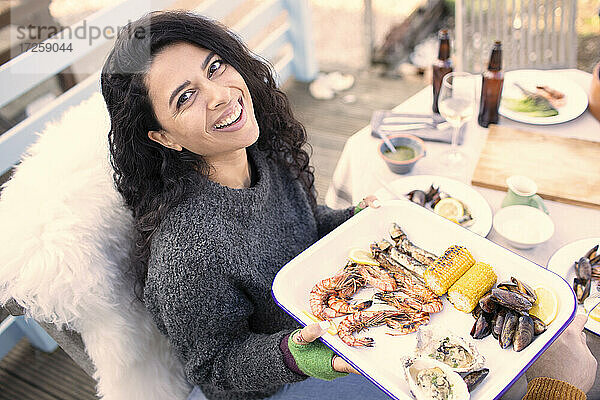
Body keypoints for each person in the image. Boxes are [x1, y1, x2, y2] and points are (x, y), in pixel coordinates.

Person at [100, 10, 596, 400]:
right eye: (186, 97)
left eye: (215, 68)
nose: (220, 95)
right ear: (163, 136)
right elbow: (216, 369)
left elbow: (304, 229)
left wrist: (354, 219)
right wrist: (297, 357)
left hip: (351, 317)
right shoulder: (186, 253)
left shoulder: (262, 152)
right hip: (284, 381)